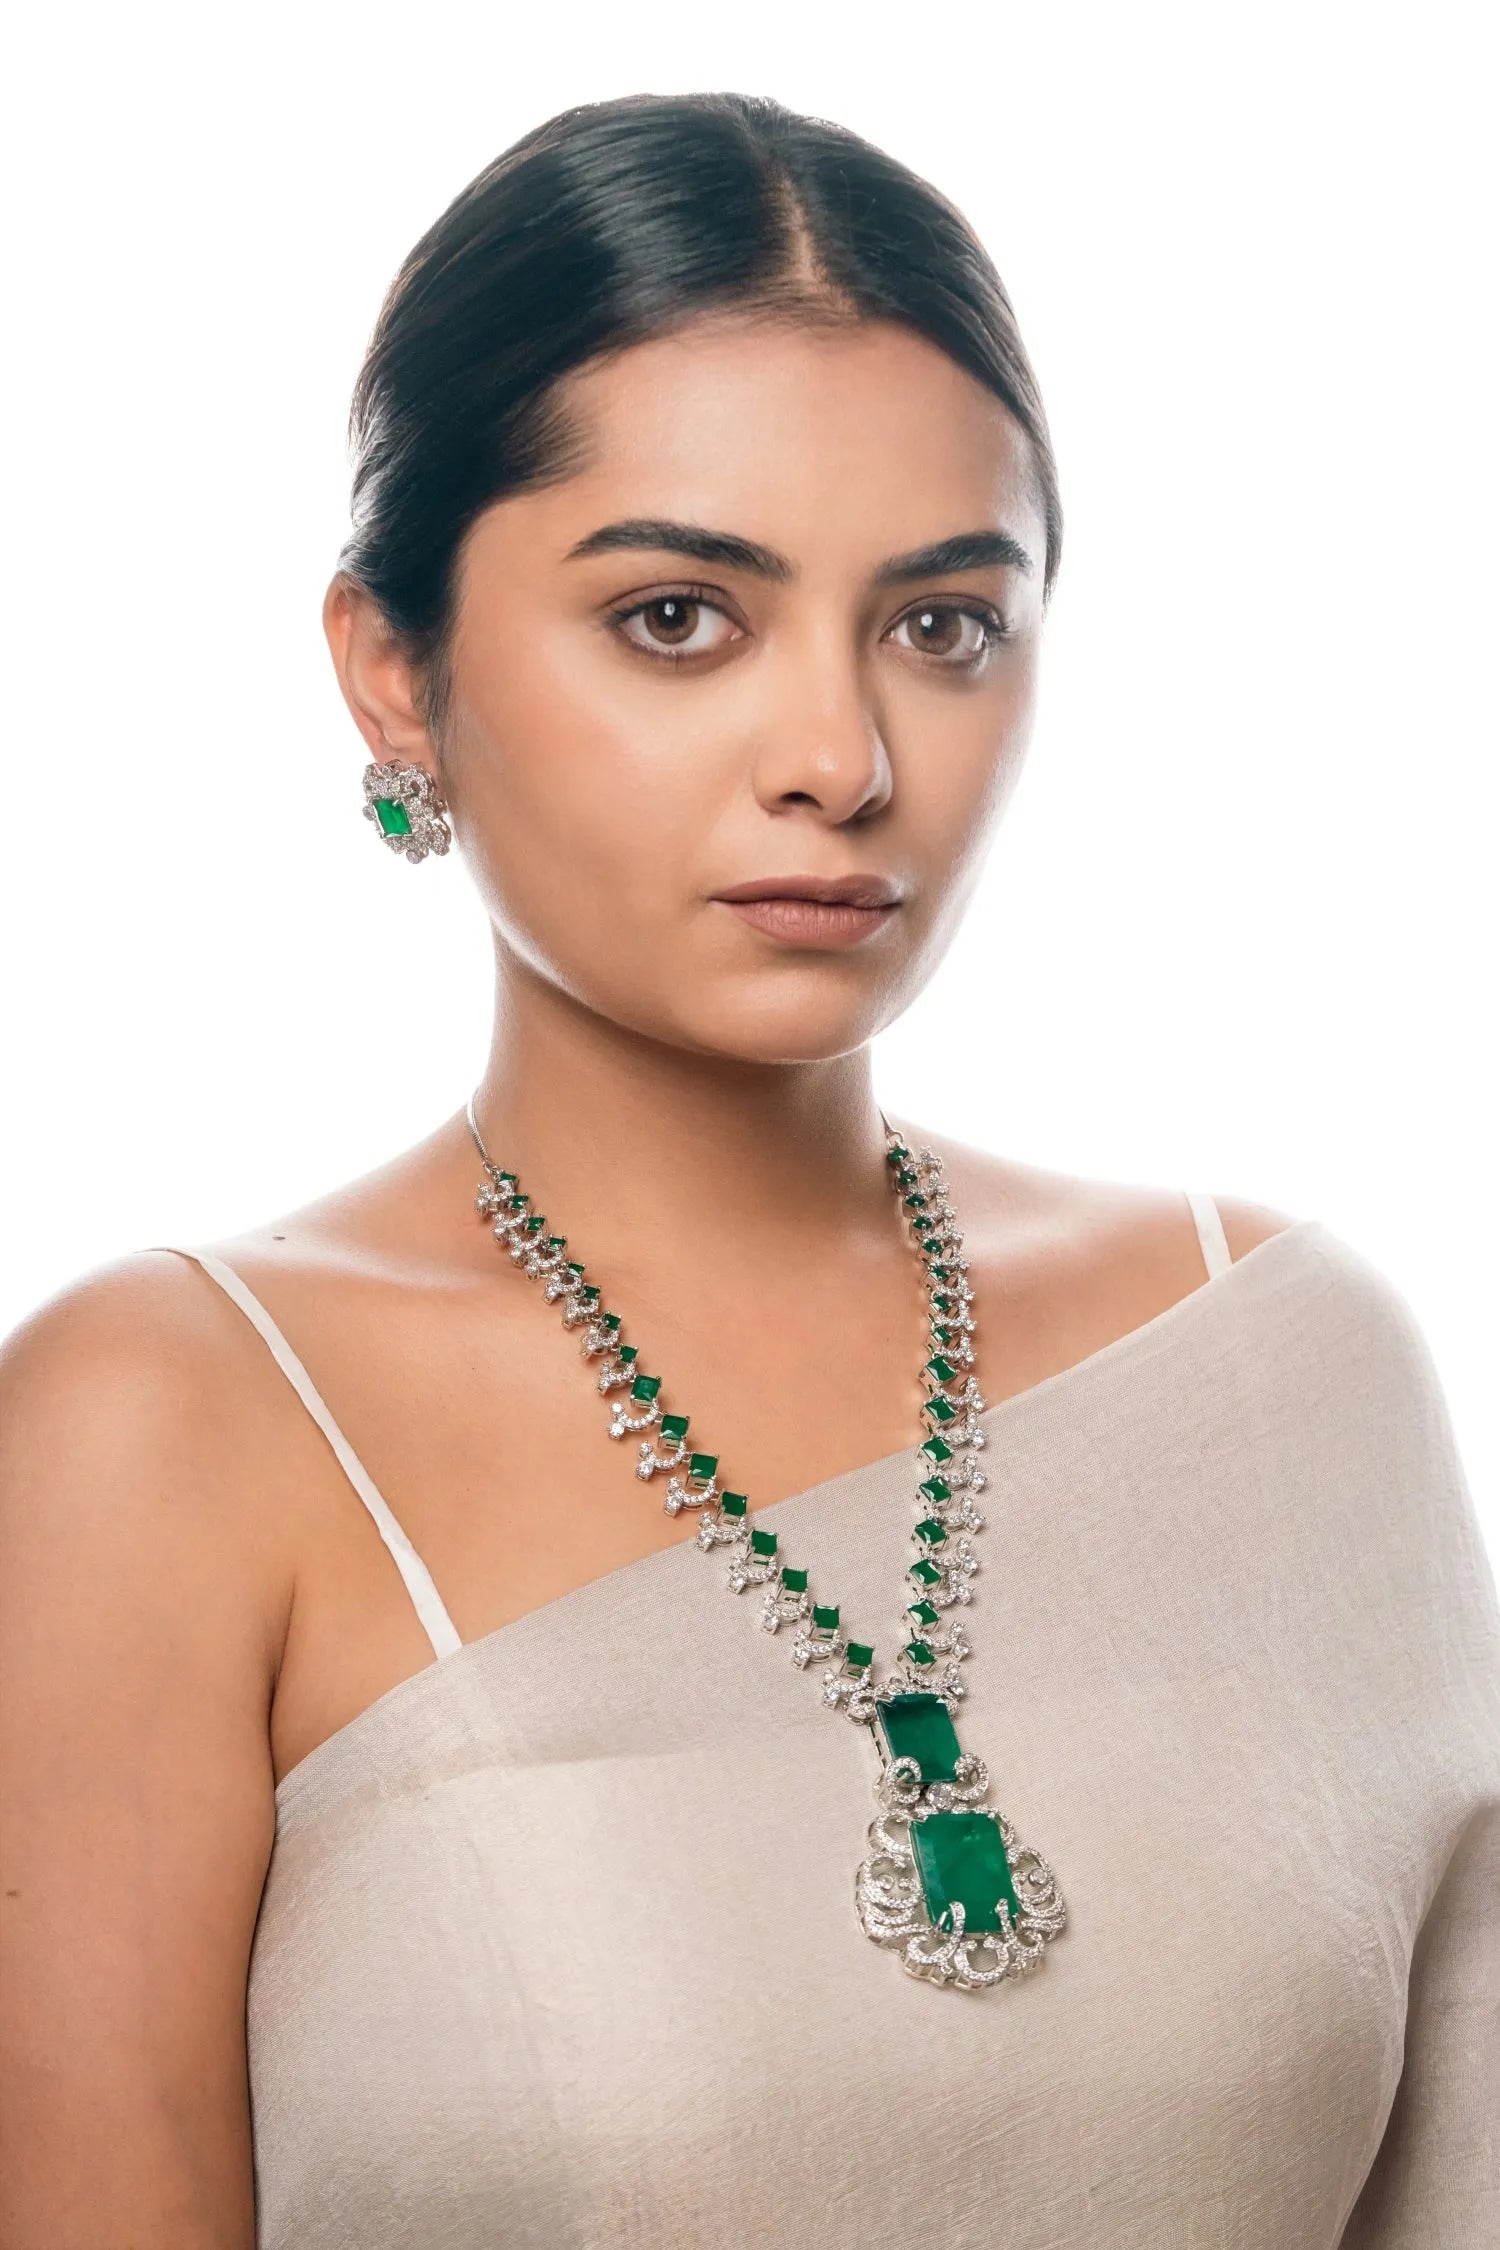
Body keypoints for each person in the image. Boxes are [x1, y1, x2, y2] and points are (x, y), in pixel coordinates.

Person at [1, 89, 1495, 2250]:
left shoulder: (1290, 1364)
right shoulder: (164, 1429)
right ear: (393, 674)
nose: (840, 759)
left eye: (942, 624)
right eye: (681, 617)